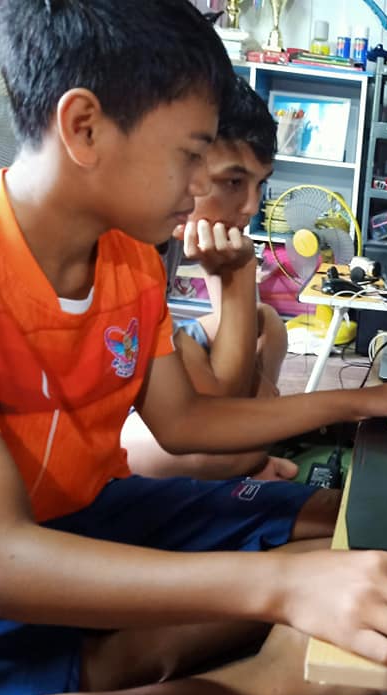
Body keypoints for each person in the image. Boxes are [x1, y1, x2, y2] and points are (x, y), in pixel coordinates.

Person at [0, 2, 387, 695]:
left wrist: (360, 401)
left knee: (355, 538)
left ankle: (107, 664)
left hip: (94, 514)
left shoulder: (129, 258)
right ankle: (238, 679)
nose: (202, 188)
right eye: (191, 155)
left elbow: (186, 420)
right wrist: (279, 590)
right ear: (84, 127)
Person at [121, 77, 296, 481]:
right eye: (233, 182)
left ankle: (253, 451)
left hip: (154, 368)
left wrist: (233, 275)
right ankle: (251, 457)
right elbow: (222, 404)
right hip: (112, 413)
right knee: (226, 447)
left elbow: (237, 342)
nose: (251, 206)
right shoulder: (131, 243)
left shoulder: (179, 223)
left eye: (260, 184)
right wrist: (241, 273)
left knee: (268, 323)